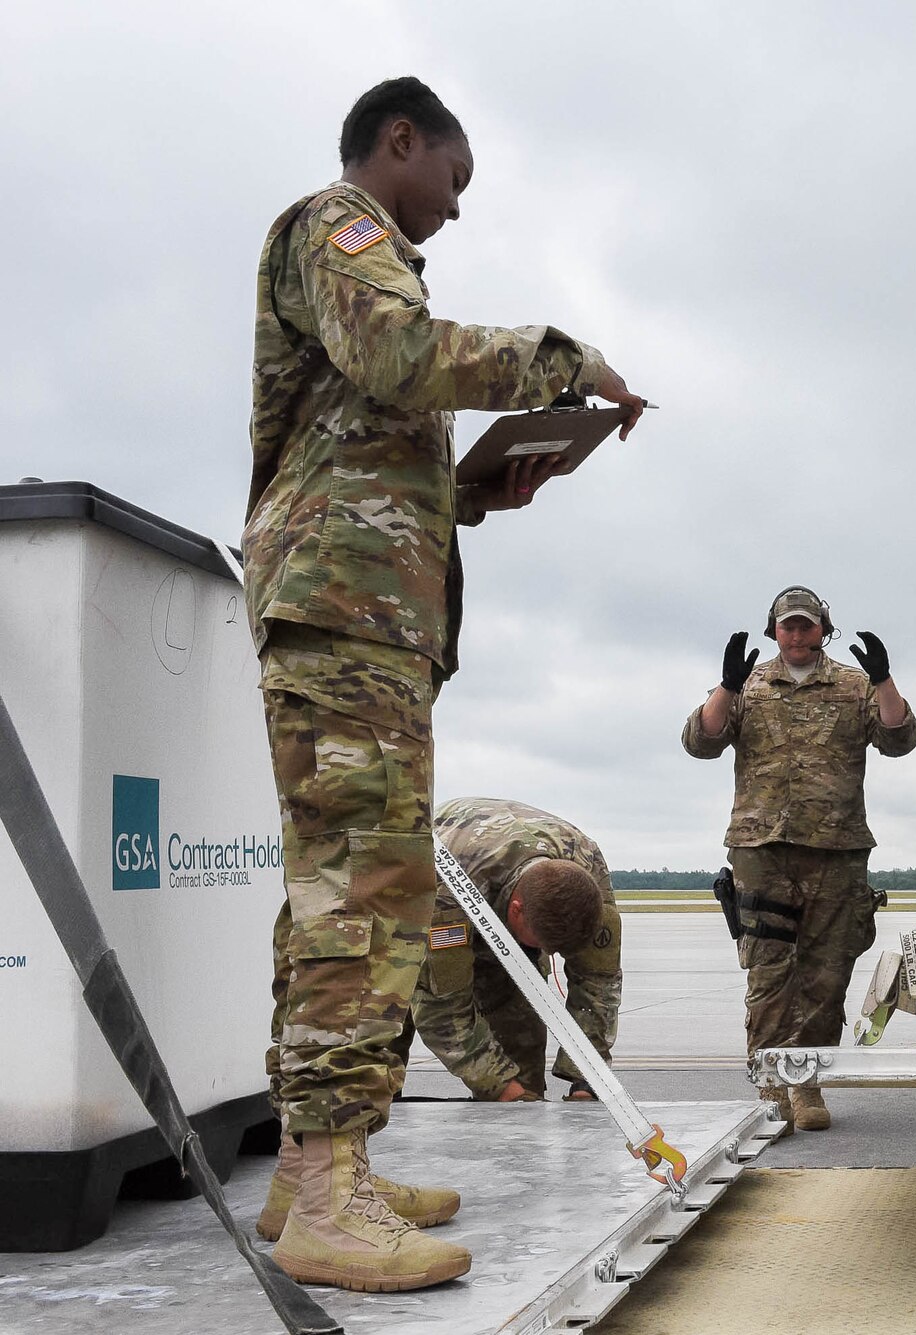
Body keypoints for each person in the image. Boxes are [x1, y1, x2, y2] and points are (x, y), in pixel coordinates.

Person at [244, 76, 645, 1293]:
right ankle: (326, 1194)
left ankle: (315, 1167)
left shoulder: (355, 258)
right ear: (400, 142)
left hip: (361, 611)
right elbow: (400, 352)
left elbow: (360, 428)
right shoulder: (338, 224)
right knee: (362, 894)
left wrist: (472, 491)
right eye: (455, 181)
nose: (457, 212)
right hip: (344, 613)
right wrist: (558, 359)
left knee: (337, 883)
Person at [681, 588, 916, 1132]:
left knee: (827, 973)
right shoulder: (752, 687)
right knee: (768, 971)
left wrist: (883, 680)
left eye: (806, 626)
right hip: (762, 848)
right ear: (773, 631)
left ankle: (806, 1082)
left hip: (837, 848)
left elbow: (900, 738)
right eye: (787, 626)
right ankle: (770, 1084)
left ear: (822, 630)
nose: (796, 635)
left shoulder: (854, 686)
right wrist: (727, 686)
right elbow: (701, 740)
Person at [400, 797, 623, 1104]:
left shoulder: (587, 865)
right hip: (410, 916)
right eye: (544, 945)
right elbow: (442, 1008)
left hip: (504, 904)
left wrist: (587, 1079)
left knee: (523, 1077)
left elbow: (599, 985)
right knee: (374, 1059)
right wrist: (500, 1086)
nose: (552, 956)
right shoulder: (448, 893)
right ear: (517, 911)